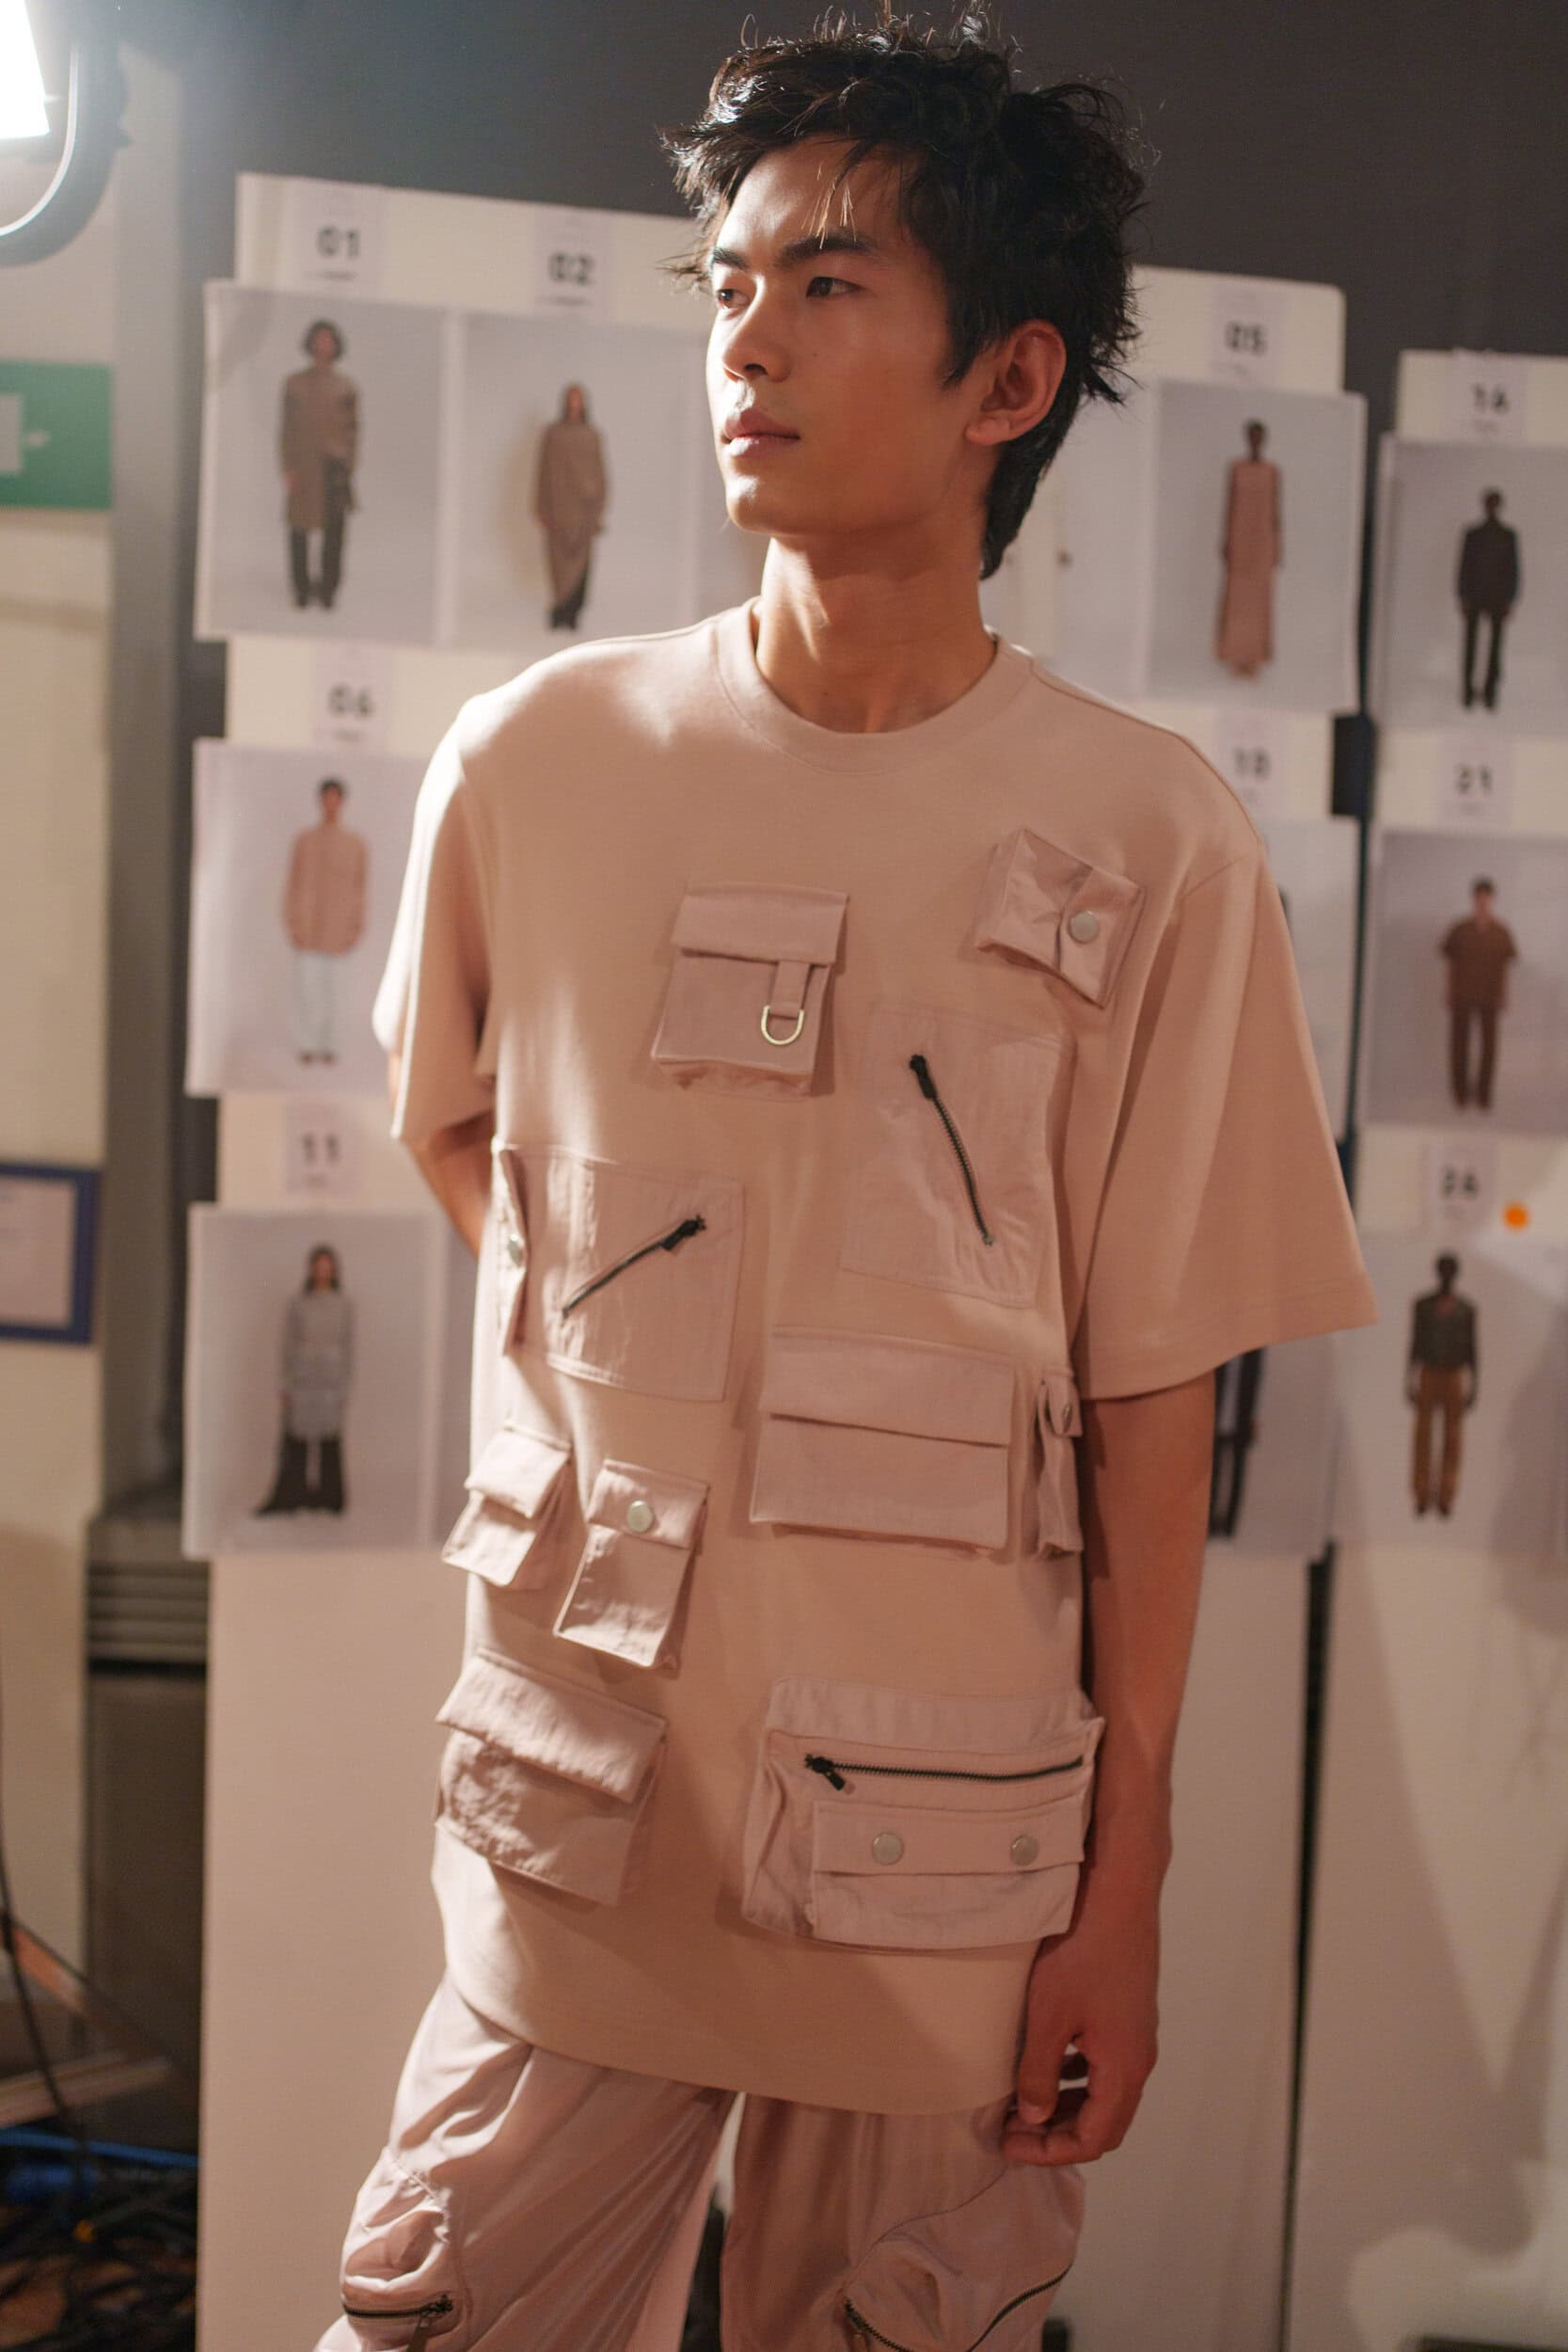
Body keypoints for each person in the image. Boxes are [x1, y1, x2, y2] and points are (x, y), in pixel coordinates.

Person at [320, 18, 1379, 2351]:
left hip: (947, 1831)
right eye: (726, 283)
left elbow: (1150, 1394)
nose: (746, 341)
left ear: (1010, 379)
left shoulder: (1149, 837)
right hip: (585, 1804)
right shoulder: (535, 760)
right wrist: (628, 1392)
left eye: (823, 283)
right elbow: (459, 1128)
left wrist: (1126, 1872)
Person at [255, 1244, 354, 1518]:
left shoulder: (343, 1306)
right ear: (311, 1270)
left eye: (327, 1267)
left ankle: (330, 1499)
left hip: (330, 1380)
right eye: (319, 1267)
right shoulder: (298, 1305)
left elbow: (348, 1348)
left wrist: (344, 1386)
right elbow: (288, 1346)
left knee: (329, 1440)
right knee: (296, 1439)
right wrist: (285, 1384)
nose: (323, 1272)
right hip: (303, 1378)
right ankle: (292, 1496)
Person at [283, 777, 370, 1066]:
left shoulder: (355, 844)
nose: (330, 804)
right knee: (308, 992)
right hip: (308, 931)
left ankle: (332, 1046)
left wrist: (355, 929)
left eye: (335, 798)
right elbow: (293, 885)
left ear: (342, 802)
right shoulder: (305, 841)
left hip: (339, 933)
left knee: (337, 993)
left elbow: (360, 889)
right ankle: (307, 1044)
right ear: (320, 800)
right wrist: (293, 924)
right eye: (326, 798)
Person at [281, 317, 360, 612]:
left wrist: (349, 464)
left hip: (333, 468)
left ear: (336, 344)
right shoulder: (294, 383)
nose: (323, 344)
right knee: (299, 529)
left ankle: (328, 589)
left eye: (329, 339)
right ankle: (301, 588)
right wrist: (288, 467)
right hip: (303, 466)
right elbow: (286, 428)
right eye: (319, 338)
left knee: (334, 533)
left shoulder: (346, 386)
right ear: (310, 342)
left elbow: (353, 430)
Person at [1404, 1253, 1477, 1518]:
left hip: (1454, 1373)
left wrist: (1474, 1383)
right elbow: (1415, 1341)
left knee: (1452, 1436)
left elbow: (1472, 1348)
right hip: (1429, 1371)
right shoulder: (1423, 1306)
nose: (1446, 1275)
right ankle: (1421, 1493)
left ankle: (1446, 1495)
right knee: (1423, 1434)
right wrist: (1409, 1377)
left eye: (1450, 1270)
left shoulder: (1466, 1310)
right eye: (1443, 1270)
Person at [1438, 873, 1518, 1112]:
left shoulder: (1500, 932)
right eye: (1479, 897)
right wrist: (1448, 990)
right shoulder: (1460, 930)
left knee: (1489, 1047)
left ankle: (1484, 1095)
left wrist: (1504, 994)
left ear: (1491, 899)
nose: (1482, 902)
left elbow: (1505, 968)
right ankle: (1460, 1094)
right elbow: (1450, 963)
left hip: (1490, 996)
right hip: (1463, 993)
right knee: (1459, 1045)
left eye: (1486, 897)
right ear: (1474, 899)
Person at [535, 381, 609, 629]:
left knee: (582, 563)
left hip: (584, 511)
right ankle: (559, 609)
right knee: (558, 564)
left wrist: (598, 510)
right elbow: (543, 471)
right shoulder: (553, 434)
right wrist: (541, 507)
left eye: (579, 399)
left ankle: (573, 612)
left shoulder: (592, 436)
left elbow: (600, 474)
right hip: (559, 509)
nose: (575, 404)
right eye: (572, 399)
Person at [1214, 416, 1282, 677]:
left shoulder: (1272, 471)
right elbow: (1229, 505)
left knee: (1258, 600)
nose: (1255, 441)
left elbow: (1276, 512)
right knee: (1237, 599)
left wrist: (1277, 546)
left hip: (1263, 542)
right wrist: (1225, 540)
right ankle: (1235, 656)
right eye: (1252, 436)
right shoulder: (1236, 468)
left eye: (1259, 437)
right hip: (1239, 540)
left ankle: (1254, 659)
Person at [1455, 486, 1519, 710]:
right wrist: (1463, 596)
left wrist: (1510, 599)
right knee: (1471, 646)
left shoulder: (1507, 536)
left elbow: (1513, 569)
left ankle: (1490, 692)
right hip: (1475, 596)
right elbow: (1464, 566)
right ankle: (1468, 691)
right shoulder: (1473, 535)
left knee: (1494, 648)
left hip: (1497, 598)